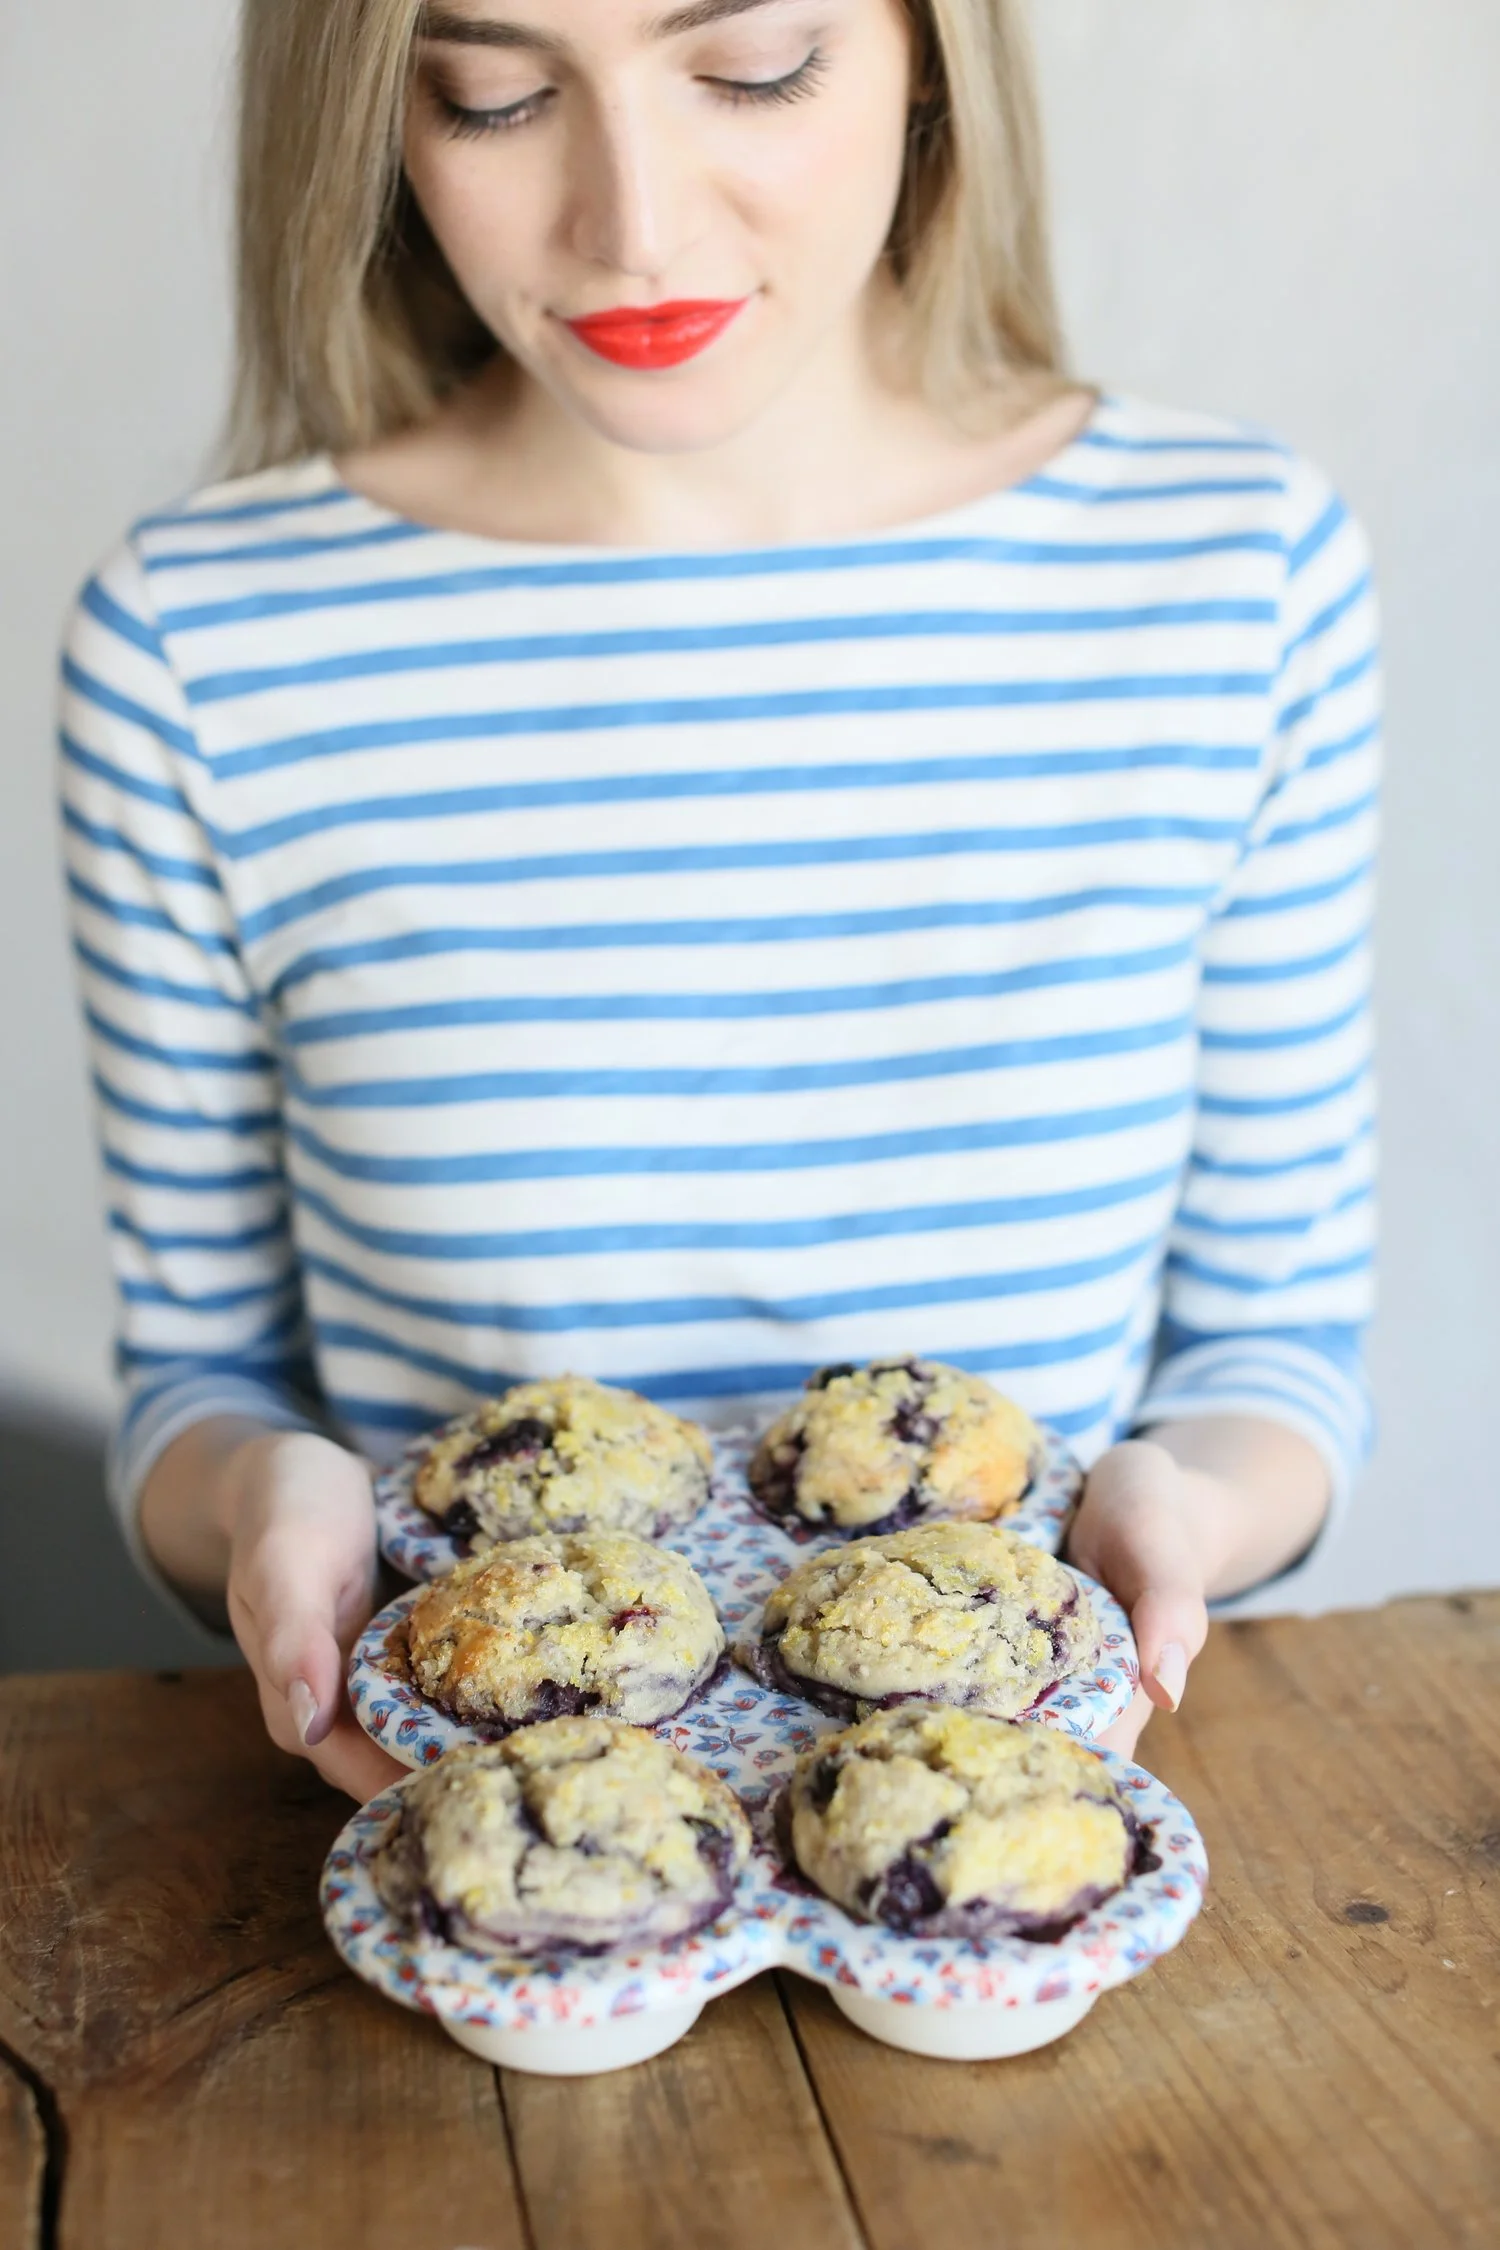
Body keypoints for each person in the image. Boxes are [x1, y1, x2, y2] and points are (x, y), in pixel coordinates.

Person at [59, 0, 1378, 1800]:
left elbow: (1273, 1339)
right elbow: (199, 1377)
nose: (638, 226)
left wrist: (1189, 1501)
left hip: (1024, 1836)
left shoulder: (1233, 577)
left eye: (753, 66)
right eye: (495, 95)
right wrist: (254, 1501)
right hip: (474, 1866)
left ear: (931, 52)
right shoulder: (201, 650)